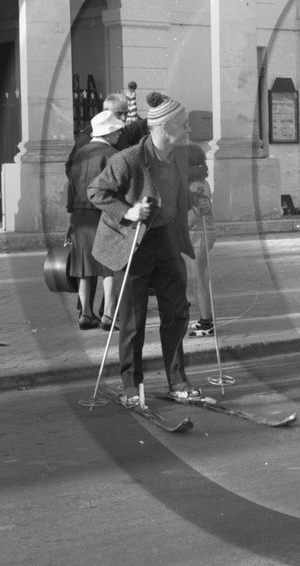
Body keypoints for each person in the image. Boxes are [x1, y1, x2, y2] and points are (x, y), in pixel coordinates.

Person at [88, 92, 202, 405]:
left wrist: (196, 202)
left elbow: (175, 194)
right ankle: (130, 385)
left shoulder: (179, 156)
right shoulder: (128, 159)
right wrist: (128, 211)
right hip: (132, 244)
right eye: (184, 124)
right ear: (165, 128)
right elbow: (95, 191)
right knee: (133, 320)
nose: (189, 129)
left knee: (177, 312)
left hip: (167, 241)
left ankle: (178, 381)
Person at [66, 109, 124, 328]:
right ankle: (109, 314)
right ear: (108, 133)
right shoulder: (113, 154)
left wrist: (70, 216)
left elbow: (70, 185)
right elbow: (118, 187)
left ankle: (86, 314)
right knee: (109, 265)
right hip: (104, 213)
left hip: (80, 216)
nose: (119, 134)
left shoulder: (80, 153)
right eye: (116, 131)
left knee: (84, 266)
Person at [185, 144, 216, 336]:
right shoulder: (195, 181)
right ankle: (203, 319)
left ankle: (207, 322)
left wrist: (178, 229)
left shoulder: (198, 184)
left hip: (201, 233)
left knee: (198, 279)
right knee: (194, 279)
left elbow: (196, 214)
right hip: (196, 233)